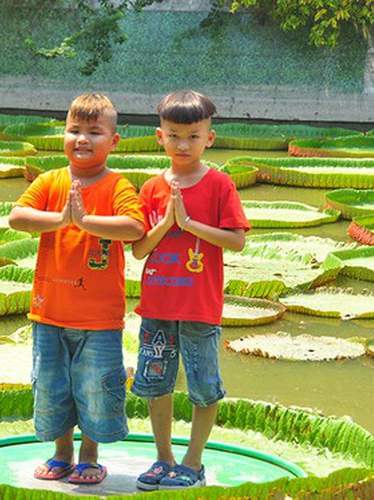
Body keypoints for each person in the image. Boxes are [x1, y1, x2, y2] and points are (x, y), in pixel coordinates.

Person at [8, 93, 145, 485]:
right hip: (49, 311)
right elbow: (17, 217)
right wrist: (62, 218)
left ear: (113, 141)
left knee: (96, 387)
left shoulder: (116, 184)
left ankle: (89, 454)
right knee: (52, 385)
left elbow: (134, 228)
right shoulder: (51, 180)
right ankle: (61, 452)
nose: (82, 139)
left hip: (99, 318)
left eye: (94, 132)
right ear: (63, 134)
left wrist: (85, 222)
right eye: (74, 130)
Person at [130, 89, 250, 490]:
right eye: (174, 135)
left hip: (200, 307)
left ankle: (193, 462)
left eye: (193, 136)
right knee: (155, 383)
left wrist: (189, 223)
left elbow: (236, 241)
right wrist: (165, 224)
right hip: (157, 306)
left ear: (209, 138)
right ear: (159, 136)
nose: (183, 144)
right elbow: (139, 250)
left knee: (203, 387)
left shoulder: (219, 185)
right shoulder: (150, 187)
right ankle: (163, 458)